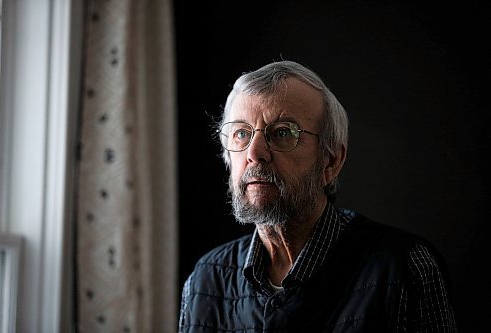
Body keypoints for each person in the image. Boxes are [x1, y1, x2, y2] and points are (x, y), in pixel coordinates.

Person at [179, 60, 457, 332]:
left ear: (331, 161)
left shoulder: (406, 270)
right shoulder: (204, 281)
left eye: (283, 133)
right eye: (241, 133)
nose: (254, 153)